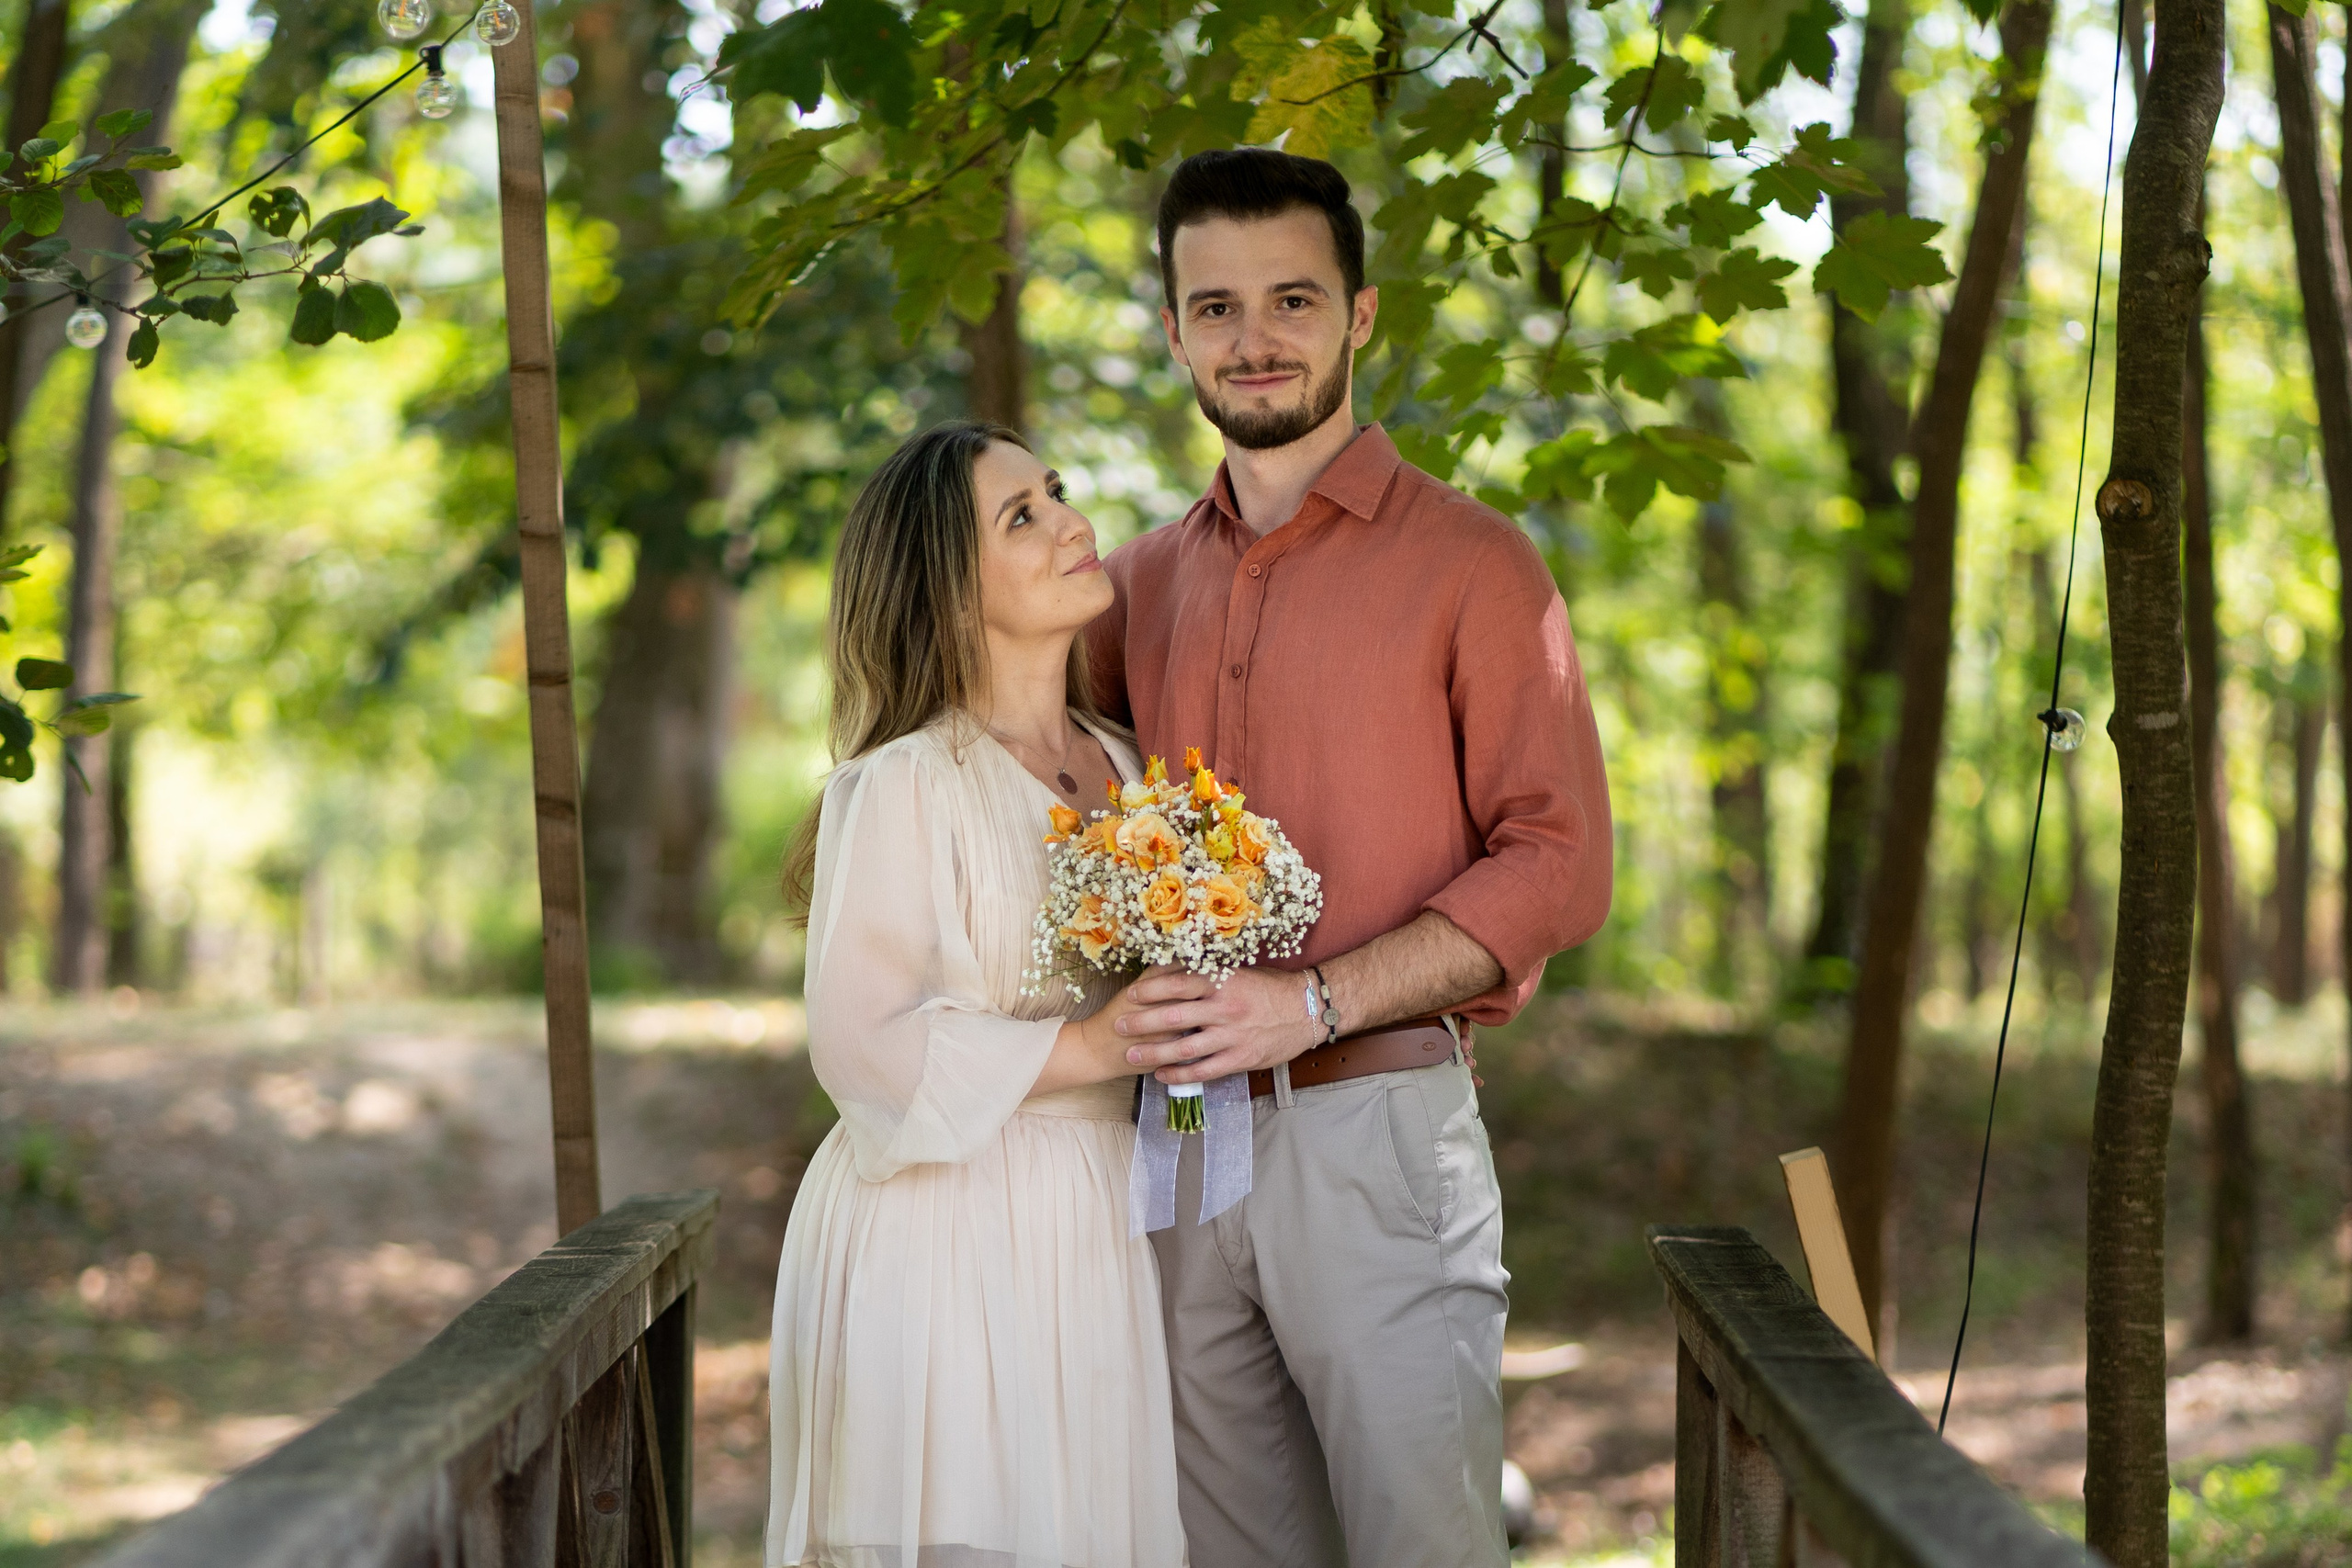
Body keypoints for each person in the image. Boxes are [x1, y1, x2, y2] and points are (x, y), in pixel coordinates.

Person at [1086, 147, 1613, 1565]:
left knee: (1420, 1544)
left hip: (1375, 1128)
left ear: (1360, 315)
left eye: (1294, 299)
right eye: (1216, 306)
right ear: (1174, 329)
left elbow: (1558, 860)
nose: (1253, 338)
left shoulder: (1476, 565)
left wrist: (1312, 1000)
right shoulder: (1132, 584)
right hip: (1177, 1139)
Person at [765, 421, 1186, 1567]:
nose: (1072, 523)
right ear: (950, 589)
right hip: (947, 1231)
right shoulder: (904, 781)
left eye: (1056, 491)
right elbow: (862, 1046)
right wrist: (1096, 1048)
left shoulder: (1136, 767)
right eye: (1022, 517)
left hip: (1107, 1222)